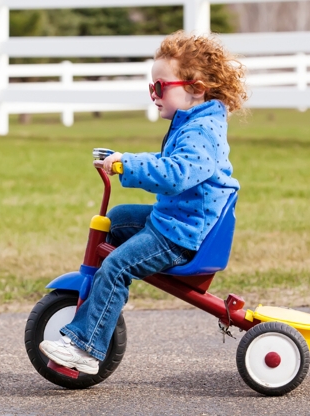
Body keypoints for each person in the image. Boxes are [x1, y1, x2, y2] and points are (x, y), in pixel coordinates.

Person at [39, 30, 248, 375]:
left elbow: (176, 173)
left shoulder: (201, 131)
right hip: (177, 219)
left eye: (161, 86)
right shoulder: (194, 121)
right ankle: (100, 306)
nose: (154, 94)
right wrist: (125, 160)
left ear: (196, 87)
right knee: (118, 219)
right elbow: (171, 163)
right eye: (153, 87)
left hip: (182, 234)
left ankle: (86, 348)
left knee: (117, 266)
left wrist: (129, 165)